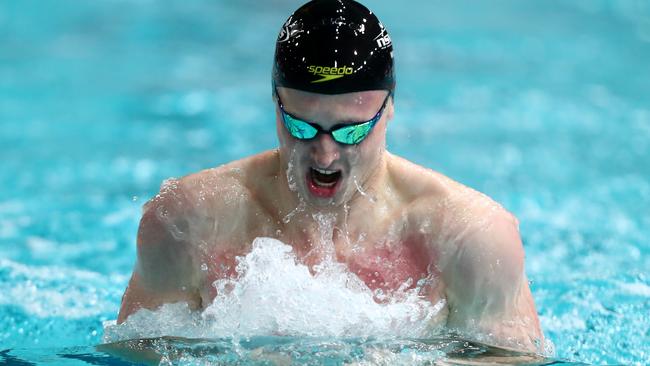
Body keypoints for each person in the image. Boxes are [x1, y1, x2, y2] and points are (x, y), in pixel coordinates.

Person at [118, 0, 543, 352]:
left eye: (351, 131)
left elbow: (512, 362)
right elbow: (136, 355)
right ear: (275, 102)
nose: (324, 153)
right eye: (301, 127)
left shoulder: (469, 237)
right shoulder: (189, 222)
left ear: (389, 108)